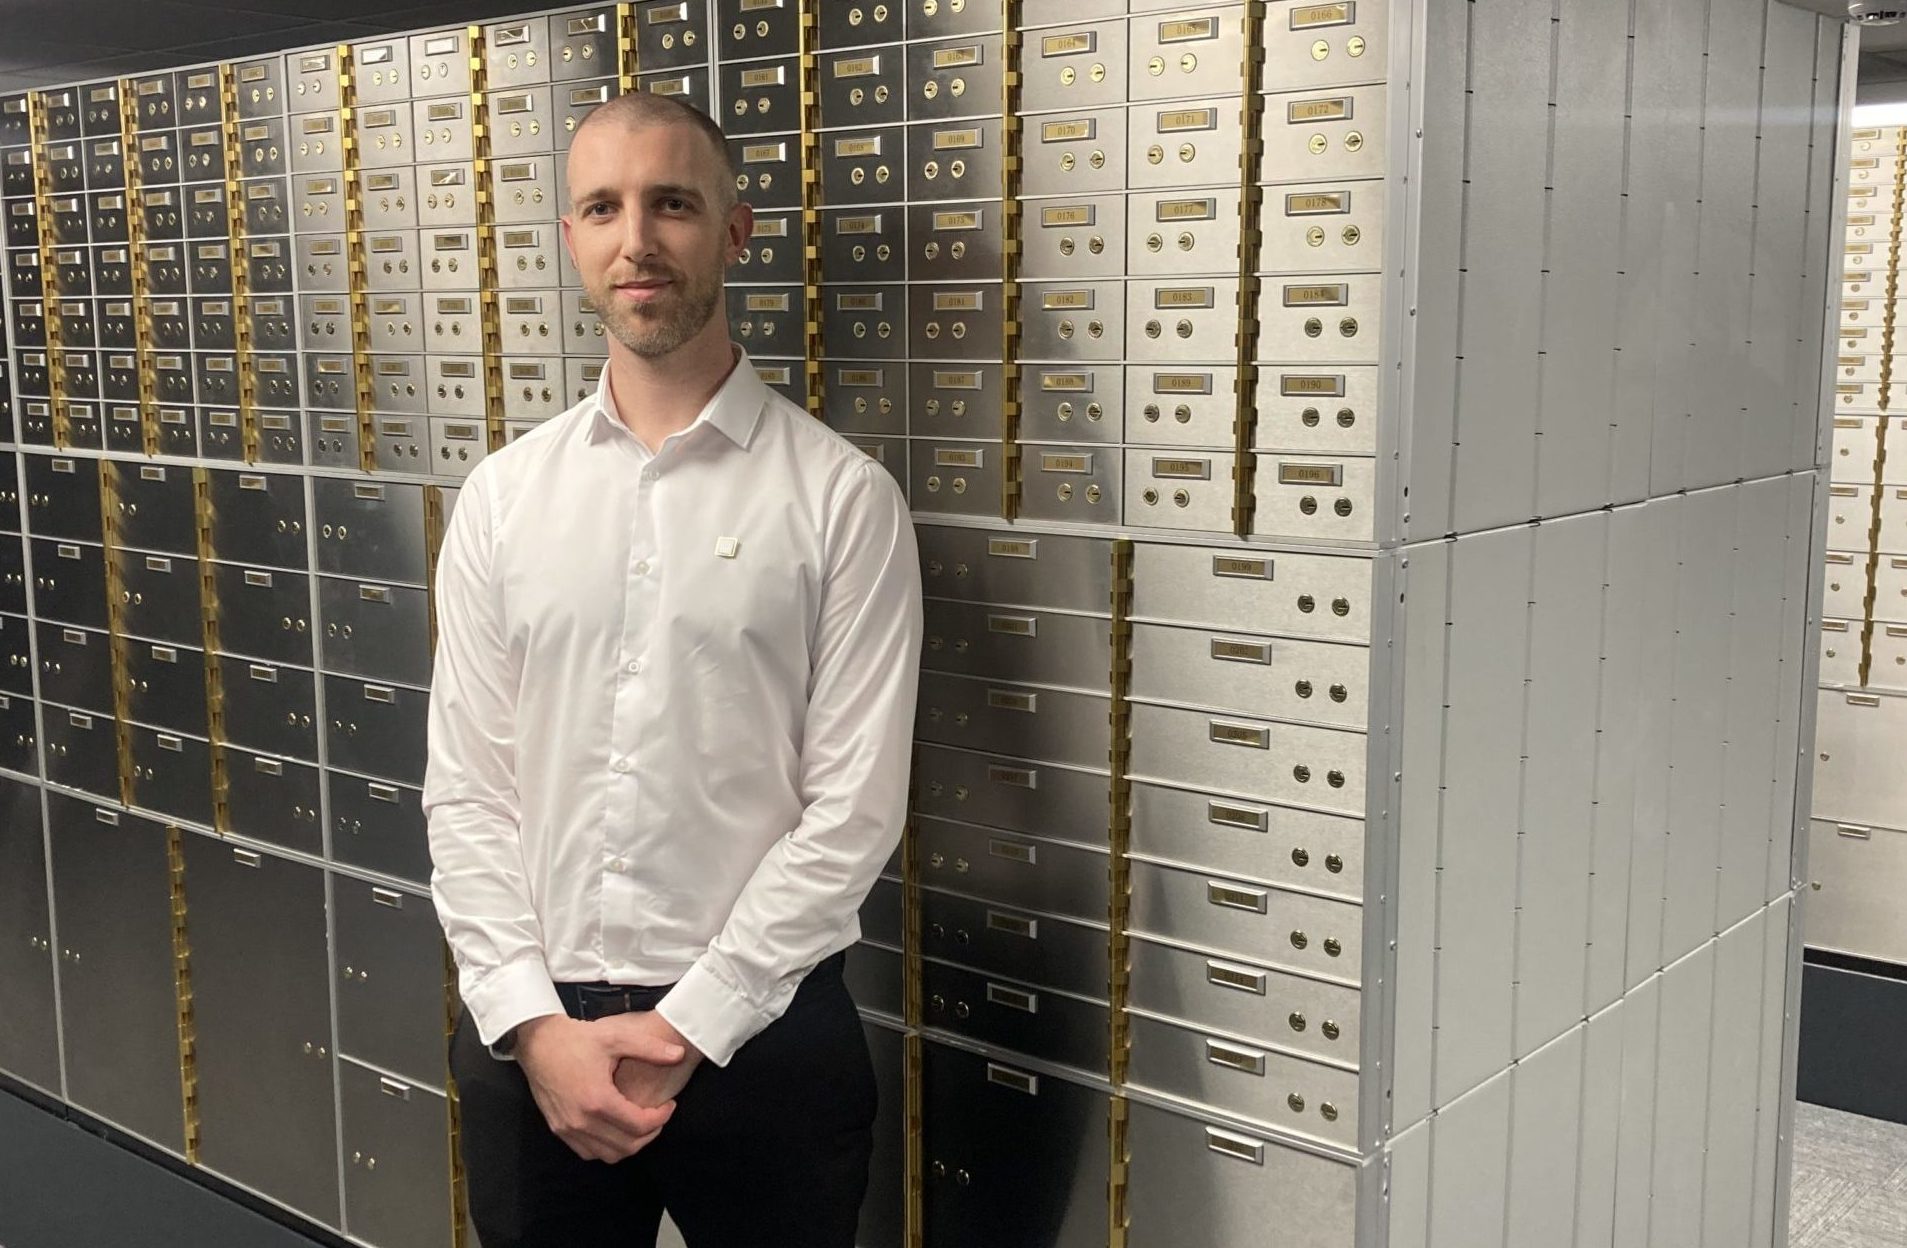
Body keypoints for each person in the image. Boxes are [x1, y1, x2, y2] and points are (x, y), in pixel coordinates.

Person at [423, 91, 922, 1248]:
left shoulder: (841, 500)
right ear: (570, 239)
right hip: (535, 1038)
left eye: (672, 205)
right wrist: (532, 1027)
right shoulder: (502, 499)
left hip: (764, 1039)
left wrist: (694, 1022)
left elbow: (850, 813)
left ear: (733, 231)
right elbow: (468, 793)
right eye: (602, 208)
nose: (635, 240)